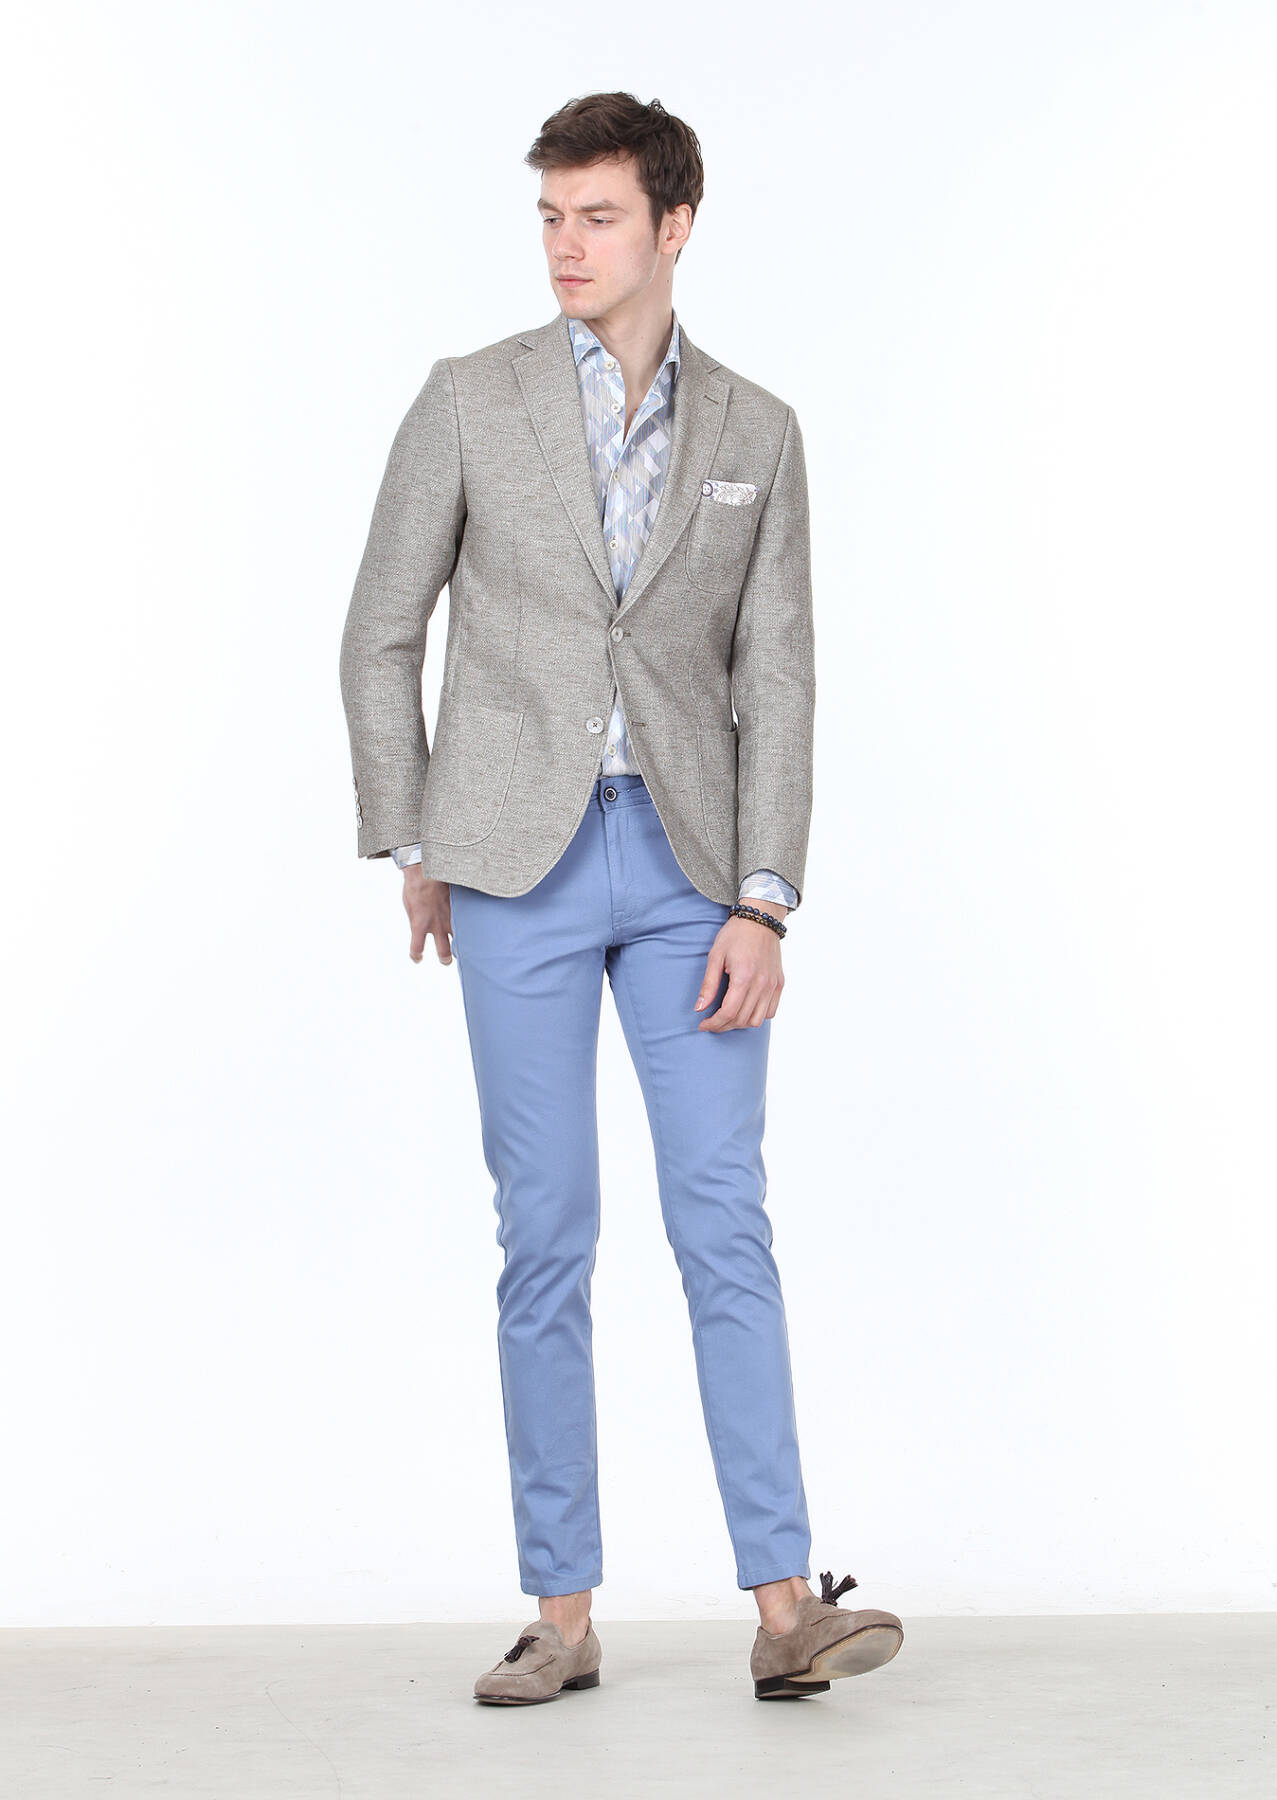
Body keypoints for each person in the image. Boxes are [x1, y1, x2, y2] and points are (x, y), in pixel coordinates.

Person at [339, 90, 904, 1705]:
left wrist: (763, 903)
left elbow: (777, 675)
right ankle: (561, 1614)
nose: (565, 245)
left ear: (673, 225)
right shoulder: (469, 397)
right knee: (547, 1232)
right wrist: (415, 839)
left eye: (595, 216)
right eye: (549, 216)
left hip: (689, 876)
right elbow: (380, 630)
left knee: (722, 1219)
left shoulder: (756, 431)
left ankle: (785, 1606)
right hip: (510, 866)